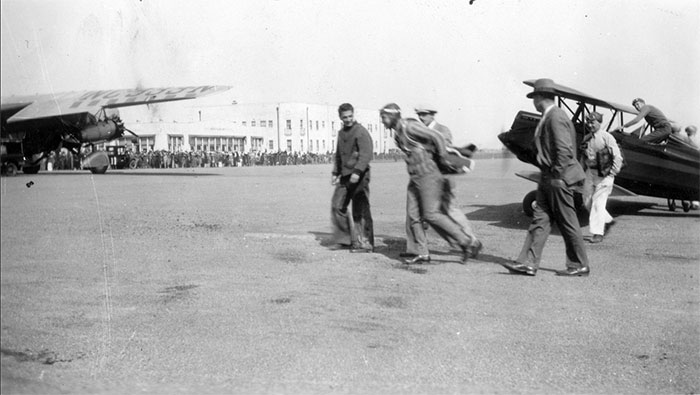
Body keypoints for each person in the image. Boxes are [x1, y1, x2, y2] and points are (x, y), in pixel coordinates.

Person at [501, 79, 590, 277]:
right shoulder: (549, 116)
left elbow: (564, 150)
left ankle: (579, 265)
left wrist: (558, 176)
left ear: (539, 98)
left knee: (568, 222)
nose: (533, 102)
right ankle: (528, 263)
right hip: (548, 177)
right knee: (539, 220)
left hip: (558, 178)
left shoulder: (555, 117)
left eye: (534, 97)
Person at [379, 103, 481, 265]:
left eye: (383, 118)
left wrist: (443, 157)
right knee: (413, 216)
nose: (382, 122)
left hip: (428, 175)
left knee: (431, 214)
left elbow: (437, 137)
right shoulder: (397, 134)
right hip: (415, 177)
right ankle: (422, 253)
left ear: (391, 117)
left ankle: (467, 242)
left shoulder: (409, 127)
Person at [330, 103, 374, 253]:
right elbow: (338, 155)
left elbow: (366, 153)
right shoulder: (341, 133)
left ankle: (365, 243)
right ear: (340, 118)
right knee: (337, 206)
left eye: (350, 116)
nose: (348, 119)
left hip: (359, 175)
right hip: (345, 175)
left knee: (360, 209)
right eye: (345, 117)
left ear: (353, 115)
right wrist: (335, 173)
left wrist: (357, 171)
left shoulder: (360, 131)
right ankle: (344, 240)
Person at [581, 111, 624, 243]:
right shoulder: (587, 138)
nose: (590, 124)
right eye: (588, 121)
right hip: (590, 173)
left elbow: (617, 156)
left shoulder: (607, 137)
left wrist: (613, 172)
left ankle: (598, 233)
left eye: (592, 122)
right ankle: (608, 220)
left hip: (604, 175)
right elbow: (584, 156)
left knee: (598, 203)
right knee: (587, 201)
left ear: (599, 122)